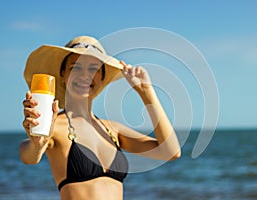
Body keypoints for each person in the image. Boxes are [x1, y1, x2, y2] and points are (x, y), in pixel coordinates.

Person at [19, 35, 181, 200]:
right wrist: (37, 144)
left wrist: (146, 92)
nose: (85, 75)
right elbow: (29, 157)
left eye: (94, 69)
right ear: (63, 74)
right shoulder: (55, 126)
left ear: (102, 77)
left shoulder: (112, 129)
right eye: (76, 67)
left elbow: (170, 151)